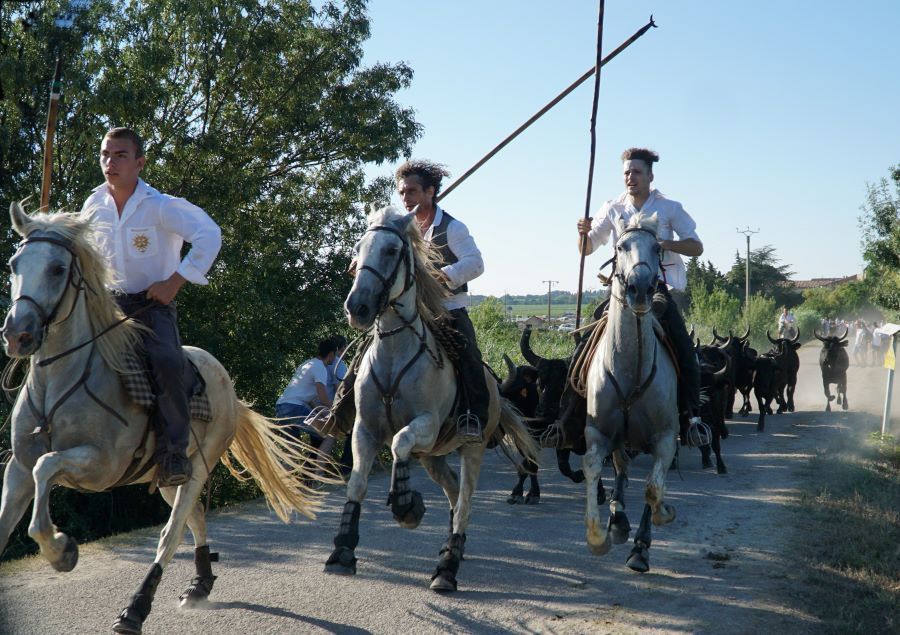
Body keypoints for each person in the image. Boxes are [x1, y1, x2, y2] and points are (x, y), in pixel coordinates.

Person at [81, 127, 221, 487]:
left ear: (139, 163)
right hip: (104, 306)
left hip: (150, 307)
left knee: (167, 362)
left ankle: (174, 453)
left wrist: (175, 281)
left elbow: (209, 234)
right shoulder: (92, 206)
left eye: (120, 155)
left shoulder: (161, 206)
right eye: (105, 154)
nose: (110, 162)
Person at [576, 147, 706, 445]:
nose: (630, 177)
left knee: (685, 351)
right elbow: (587, 249)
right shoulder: (612, 208)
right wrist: (582, 232)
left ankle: (692, 418)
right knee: (582, 348)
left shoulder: (670, 208)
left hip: (657, 290)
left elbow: (696, 247)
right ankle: (571, 416)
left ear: (650, 175)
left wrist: (663, 244)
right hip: (619, 292)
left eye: (636, 172)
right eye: (626, 172)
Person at [396, 159, 489, 443]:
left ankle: (474, 416)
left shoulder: (453, 227)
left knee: (469, 355)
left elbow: (475, 263)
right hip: (409, 311)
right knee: (368, 349)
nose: (405, 198)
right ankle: (339, 412)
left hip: (447, 310)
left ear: (430, 192)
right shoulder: (400, 228)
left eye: (412, 191)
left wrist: (443, 275)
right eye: (402, 192)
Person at [276, 337, 338, 457]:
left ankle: (287, 469)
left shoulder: (307, 364)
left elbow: (310, 400)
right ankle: (319, 469)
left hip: (281, 407)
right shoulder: (320, 367)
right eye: (335, 355)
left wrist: (323, 414)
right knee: (328, 434)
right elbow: (323, 398)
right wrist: (335, 412)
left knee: (293, 451)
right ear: (331, 354)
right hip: (294, 408)